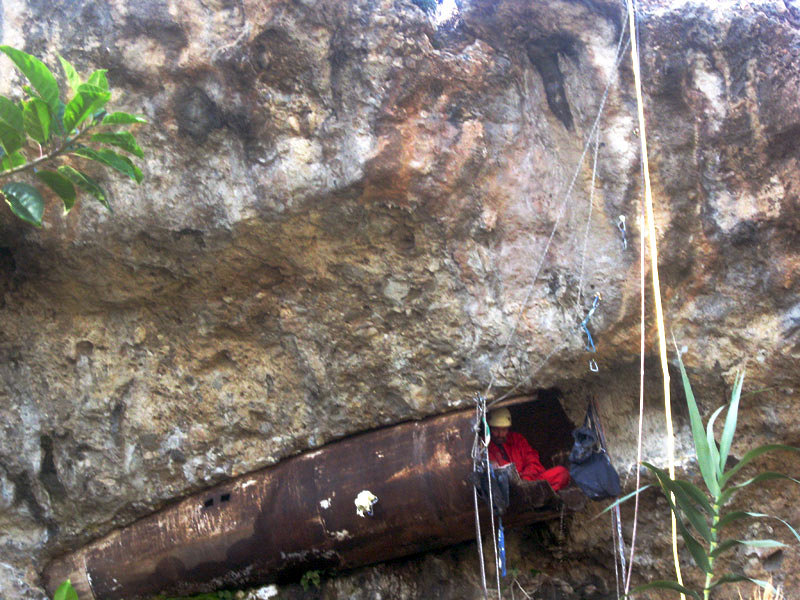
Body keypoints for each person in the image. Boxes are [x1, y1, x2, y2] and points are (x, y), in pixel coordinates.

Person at [487, 407, 571, 491]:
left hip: (530, 482)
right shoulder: (484, 444)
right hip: (508, 490)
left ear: (509, 429)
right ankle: (537, 495)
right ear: (489, 428)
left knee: (562, 473)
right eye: (496, 430)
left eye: (504, 430)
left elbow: (533, 461)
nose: (500, 434)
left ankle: (538, 495)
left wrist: (526, 479)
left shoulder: (517, 439)